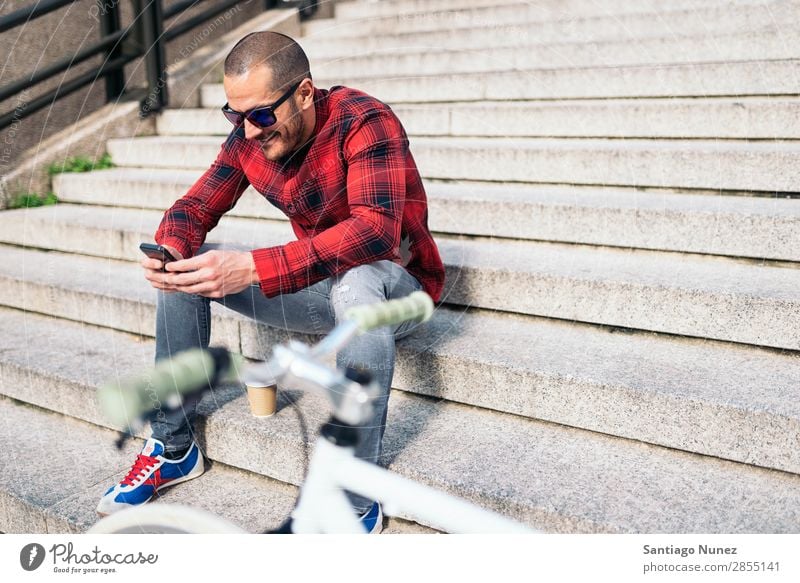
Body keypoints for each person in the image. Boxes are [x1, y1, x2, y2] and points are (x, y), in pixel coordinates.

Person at [96, 31, 445, 533]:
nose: (249, 131)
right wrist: (171, 246)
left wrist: (256, 266)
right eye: (234, 116)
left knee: (357, 283)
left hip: (396, 289)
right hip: (323, 284)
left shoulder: (364, 120)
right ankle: (173, 447)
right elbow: (193, 207)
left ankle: (353, 492)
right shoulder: (249, 137)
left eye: (261, 114)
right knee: (185, 268)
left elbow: (374, 232)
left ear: (304, 92)